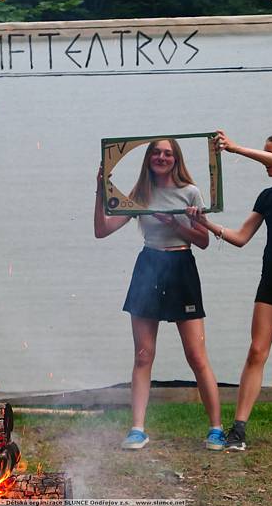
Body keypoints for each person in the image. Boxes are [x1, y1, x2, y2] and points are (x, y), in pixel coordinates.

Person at [186, 129, 272, 450]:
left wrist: (235, 149)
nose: (265, 162)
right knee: (257, 351)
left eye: (269, 154)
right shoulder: (267, 197)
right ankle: (239, 429)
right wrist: (206, 224)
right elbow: (241, 237)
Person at [95, 139, 225, 451]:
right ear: (149, 158)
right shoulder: (140, 193)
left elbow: (203, 241)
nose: (161, 157)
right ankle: (137, 429)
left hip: (181, 267)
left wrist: (176, 224)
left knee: (196, 355)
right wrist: (101, 190)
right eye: (156, 152)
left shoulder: (190, 192)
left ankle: (216, 428)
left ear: (176, 159)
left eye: (168, 153)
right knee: (143, 355)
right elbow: (102, 230)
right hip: (149, 267)